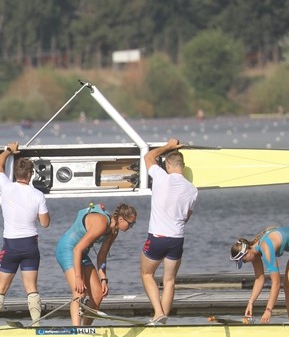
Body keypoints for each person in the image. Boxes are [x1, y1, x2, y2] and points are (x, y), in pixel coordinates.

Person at [0, 142, 50, 326]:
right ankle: (37, 324)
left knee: (1, 288)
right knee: (31, 288)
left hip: (11, 246)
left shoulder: (6, 186)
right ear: (30, 175)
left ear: (15, 174)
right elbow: (45, 223)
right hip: (30, 245)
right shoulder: (38, 195)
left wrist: (8, 150)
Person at [140, 138, 198, 324]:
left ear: (168, 165)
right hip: (176, 239)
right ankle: (163, 317)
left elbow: (148, 156)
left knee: (147, 274)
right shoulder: (192, 190)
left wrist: (168, 146)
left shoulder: (161, 177)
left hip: (157, 236)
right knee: (170, 281)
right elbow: (187, 217)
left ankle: (158, 313)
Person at [55, 202, 138, 326]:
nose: (131, 226)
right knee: (79, 292)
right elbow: (77, 249)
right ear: (121, 219)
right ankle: (76, 331)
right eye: (130, 223)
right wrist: (78, 278)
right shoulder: (101, 223)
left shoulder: (114, 231)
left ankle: (86, 329)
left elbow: (101, 256)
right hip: (68, 249)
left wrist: (103, 279)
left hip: (81, 254)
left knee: (98, 294)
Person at [231, 227, 289, 323]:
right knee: (287, 287)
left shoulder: (265, 248)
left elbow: (276, 282)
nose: (245, 263)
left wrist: (268, 310)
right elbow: (259, 279)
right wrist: (250, 303)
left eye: (244, 261)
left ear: (246, 253)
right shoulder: (254, 252)